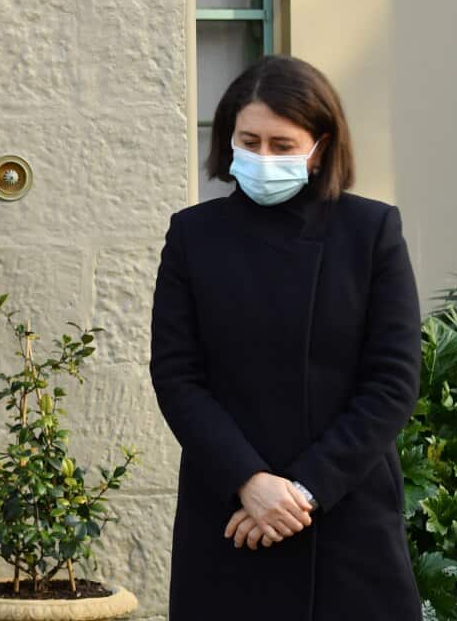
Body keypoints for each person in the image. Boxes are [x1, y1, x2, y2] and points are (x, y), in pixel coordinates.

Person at [150, 55, 422, 620]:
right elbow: (177, 376)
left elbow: (393, 381)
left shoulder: (370, 233)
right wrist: (249, 481)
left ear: (319, 147)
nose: (263, 157)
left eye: (282, 144)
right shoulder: (193, 236)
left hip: (345, 514)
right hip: (230, 514)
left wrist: (301, 491)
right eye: (249, 141)